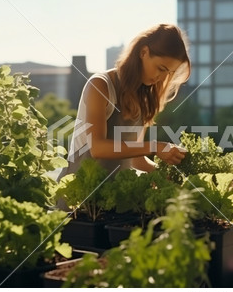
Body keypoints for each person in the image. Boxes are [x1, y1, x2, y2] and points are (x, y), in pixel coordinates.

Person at [58, 24, 191, 179]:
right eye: (161, 68)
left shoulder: (145, 99)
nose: (161, 78)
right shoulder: (100, 85)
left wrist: (166, 175)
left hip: (113, 197)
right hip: (79, 194)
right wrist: (154, 147)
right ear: (143, 52)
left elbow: (135, 158)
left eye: (169, 73)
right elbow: (97, 148)